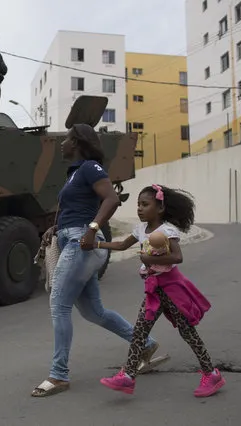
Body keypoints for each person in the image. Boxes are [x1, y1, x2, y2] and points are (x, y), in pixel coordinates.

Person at [31, 124, 166, 398]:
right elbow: (75, 209)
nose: (61, 143)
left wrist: (92, 229)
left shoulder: (90, 167)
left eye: (66, 139)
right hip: (74, 239)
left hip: (82, 242)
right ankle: (146, 344)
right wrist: (54, 228)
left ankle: (58, 375)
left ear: (78, 142)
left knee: (58, 304)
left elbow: (111, 199)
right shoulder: (74, 173)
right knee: (94, 312)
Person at [96, 184, 226, 398]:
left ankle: (211, 374)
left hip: (172, 288)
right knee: (139, 332)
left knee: (187, 332)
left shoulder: (167, 231)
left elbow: (177, 257)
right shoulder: (140, 230)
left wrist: (149, 259)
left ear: (160, 208)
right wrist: (96, 246)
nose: (139, 208)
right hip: (153, 290)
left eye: (145, 204)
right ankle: (127, 377)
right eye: (138, 204)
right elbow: (121, 246)